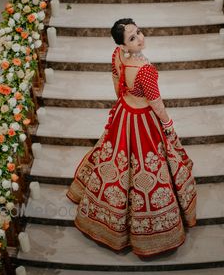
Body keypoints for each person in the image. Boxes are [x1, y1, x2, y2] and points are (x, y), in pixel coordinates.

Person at [66, 18, 197, 258]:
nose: (140, 38)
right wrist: (167, 123)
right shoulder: (145, 71)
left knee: (116, 158)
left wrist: (124, 101)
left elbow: (117, 82)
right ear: (124, 44)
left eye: (139, 32)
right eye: (133, 38)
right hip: (143, 119)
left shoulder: (117, 54)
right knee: (146, 165)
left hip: (124, 112)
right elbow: (156, 103)